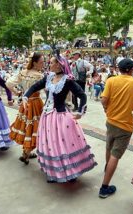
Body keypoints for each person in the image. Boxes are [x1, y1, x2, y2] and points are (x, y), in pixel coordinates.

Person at [23, 51, 97, 183]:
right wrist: (25, 96)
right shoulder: (48, 77)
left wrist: (80, 111)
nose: (49, 64)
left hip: (60, 117)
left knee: (63, 144)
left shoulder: (67, 80)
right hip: (47, 117)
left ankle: (70, 172)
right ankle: (54, 171)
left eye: (51, 62)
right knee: (50, 143)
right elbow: (35, 86)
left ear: (59, 65)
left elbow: (82, 95)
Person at [98, 59, 133, 198]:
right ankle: (104, 188)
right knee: (116, 155)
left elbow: (103, 99)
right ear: (132, 69)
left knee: (109, 147)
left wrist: (106, 110)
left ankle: (107, 168)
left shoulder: (111, 80)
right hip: (125, 125)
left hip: (111, 121)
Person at [7, 52, 44, 164]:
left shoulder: (23, 73)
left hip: (25, 103)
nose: (43, 64)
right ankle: (26, 152)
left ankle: (26, 152)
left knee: (27, 128)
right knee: (36, 128)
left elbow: (8, 83)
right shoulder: (40, 76)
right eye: (41, 62)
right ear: (35, 63)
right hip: (36, 103)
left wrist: (18, 93)